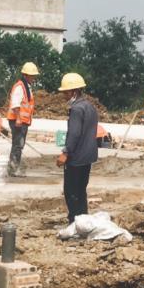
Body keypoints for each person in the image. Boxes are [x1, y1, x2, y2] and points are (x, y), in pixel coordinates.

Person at [56, 73, 98, 226]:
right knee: (81, 190)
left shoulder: (76, 109)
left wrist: (65, 152)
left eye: (66, 92)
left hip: (77, 157)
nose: (64, 96)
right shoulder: (90, 107)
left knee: (71, 192)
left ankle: (75, 222)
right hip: (88, 156)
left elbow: (74, 133)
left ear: (74, 92)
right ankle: (83, 219)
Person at [6, 62, 39, 177]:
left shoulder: (26, 86)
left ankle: (13, 168)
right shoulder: (20, 87)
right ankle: (13, 169)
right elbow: (15, 104)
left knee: (18, 145)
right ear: (25, 75)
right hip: (18, 121)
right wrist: (19, 119)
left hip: (22, 121)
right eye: (32, 75)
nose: (34, 78)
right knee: (18, 145)